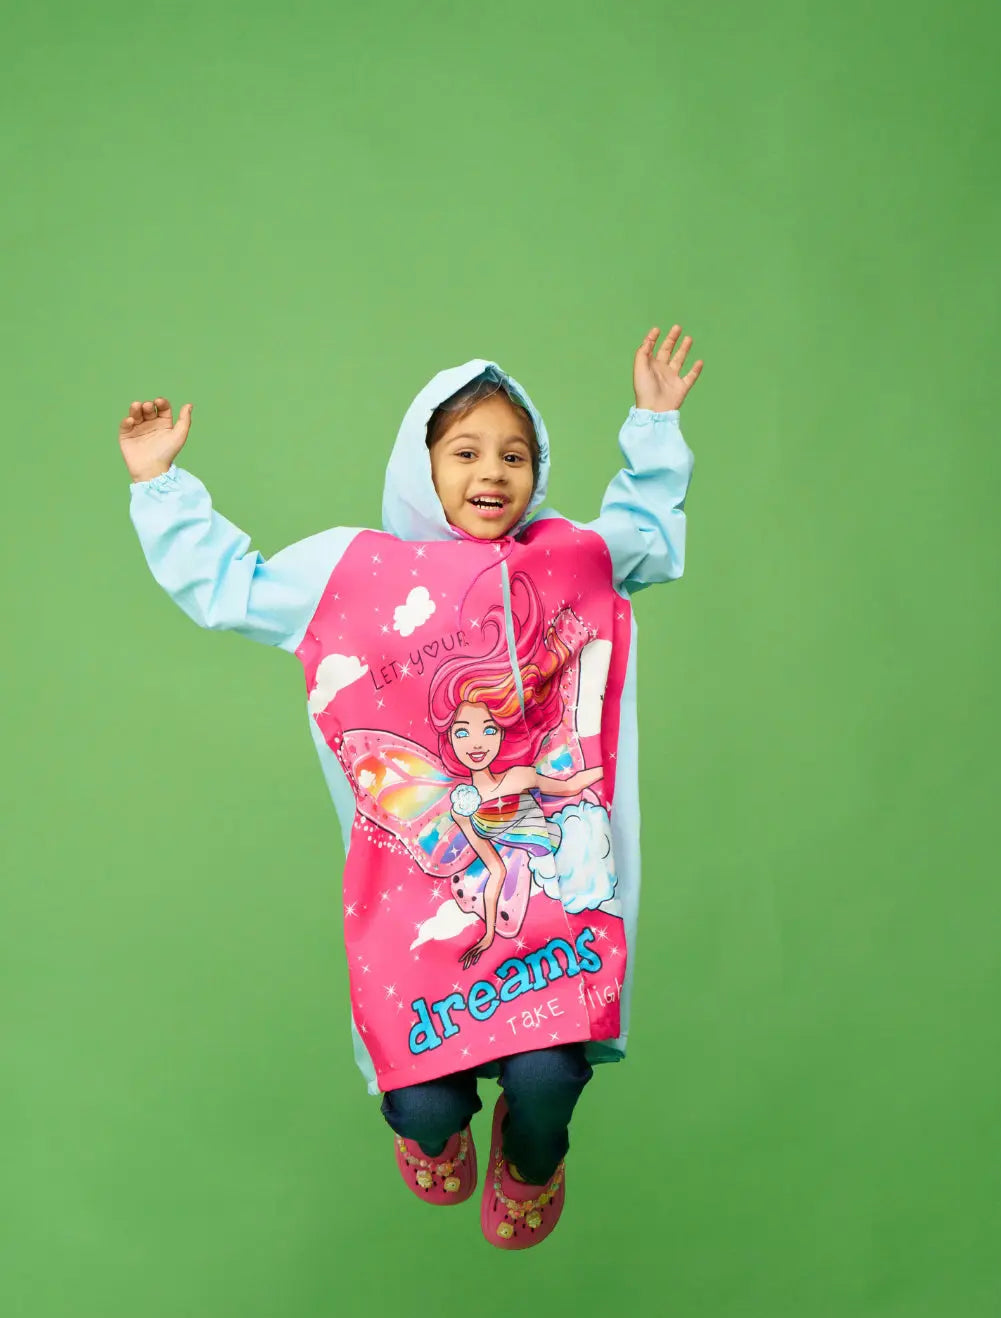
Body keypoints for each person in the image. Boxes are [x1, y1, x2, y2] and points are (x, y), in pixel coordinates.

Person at [121, 325, 702, 1249]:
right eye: (465, 451)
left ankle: (533, 1158)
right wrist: (160, 484)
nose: (492, 471)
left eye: (515, 455)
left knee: (551, 1079)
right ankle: (433, 1132)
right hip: (417, 909)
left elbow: (647, 536)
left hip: (548, 902)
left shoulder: (568, 559)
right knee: (422, 1100)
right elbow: (232, 587)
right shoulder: (352, 573)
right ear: (421, 466)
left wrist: (656, 426)